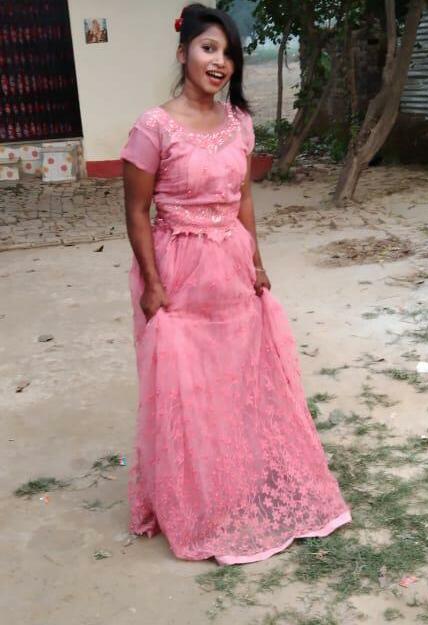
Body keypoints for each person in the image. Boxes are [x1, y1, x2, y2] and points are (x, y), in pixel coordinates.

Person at [120, 3, 351, 566]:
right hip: (178, 273)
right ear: (183, 54)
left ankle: (239, 478)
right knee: (186, 385)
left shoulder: (239, 123)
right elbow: (136, 210)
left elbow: (244, 198)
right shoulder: (153, 127)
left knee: (239, 376)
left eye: (227, 53)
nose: (219, 61)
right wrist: (152, 282)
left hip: (231, 267)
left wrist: (257, 263)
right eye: (208, 48)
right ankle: (198, 497)